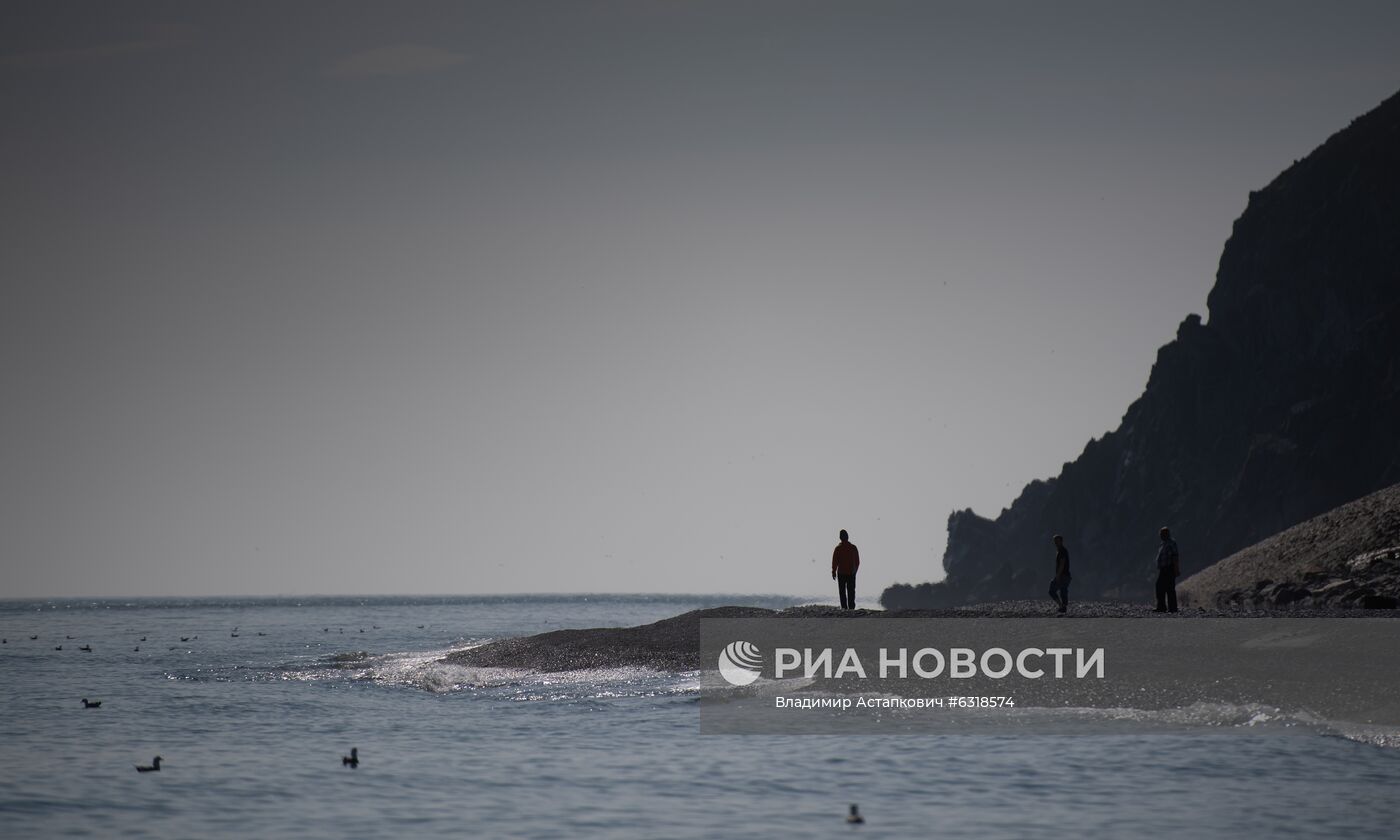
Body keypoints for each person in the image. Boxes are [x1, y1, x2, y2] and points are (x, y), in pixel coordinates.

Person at [832, 530, 860, 610]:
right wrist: (855, 571)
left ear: (840, 538)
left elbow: (835, 561)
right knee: (851, 591)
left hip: (841, 573)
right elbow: (857, 561)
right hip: (851, 573)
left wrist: (833, 571)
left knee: (842, 591)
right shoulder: (853, 547)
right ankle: (851, 608)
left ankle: (844, 607)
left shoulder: (838, 548)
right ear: (847, 537)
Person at [1154, 526, 1180, 613]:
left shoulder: (1171, 543)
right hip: (1163, 569)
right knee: (1160, 587)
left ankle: (1172, 608)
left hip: (1169, 568)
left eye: (1162, 534)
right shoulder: (1163, 544)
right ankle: (1162, 607)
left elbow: (1175, 556)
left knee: (1169, 588)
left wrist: (1176, 569)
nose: (1160, 535)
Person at [1048, 534, 1071, 614]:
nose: (1055, 543)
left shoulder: (1062, 551)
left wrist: (1058, 575)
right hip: (1066, 575)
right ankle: (1063, 607)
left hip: (1063, 575)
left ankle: (1062, 606)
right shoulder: (1061, 550)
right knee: (1063, 591)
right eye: (1055, 541)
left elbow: (1062, 563)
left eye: (1057, 541)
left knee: (1052, 590)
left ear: (1061, 541)